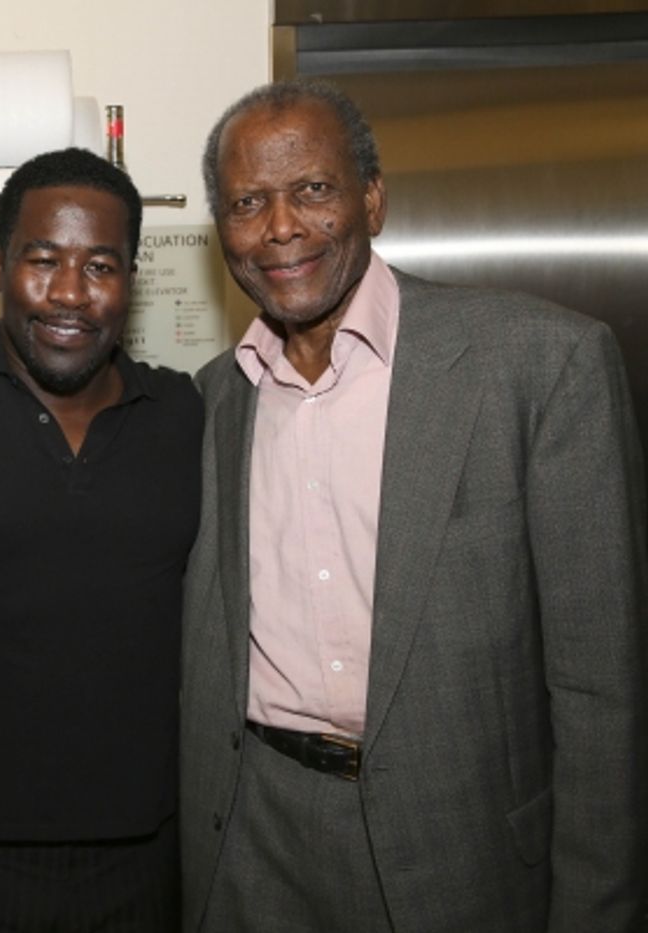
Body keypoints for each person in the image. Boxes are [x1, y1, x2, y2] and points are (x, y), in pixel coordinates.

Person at [179, 79, 647, 932]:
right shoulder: (213, 400)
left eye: (313, 189)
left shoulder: (541, 365)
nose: (280, 226)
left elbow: (602, 693)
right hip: (252, 839)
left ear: (373, 198)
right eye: (248, 202)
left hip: (458, 847)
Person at [0, 148, 204, 930]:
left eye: (100, 265)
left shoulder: (186, 415)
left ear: (132, 278)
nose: (69, 292)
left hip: (146, 856)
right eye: (42, 260)